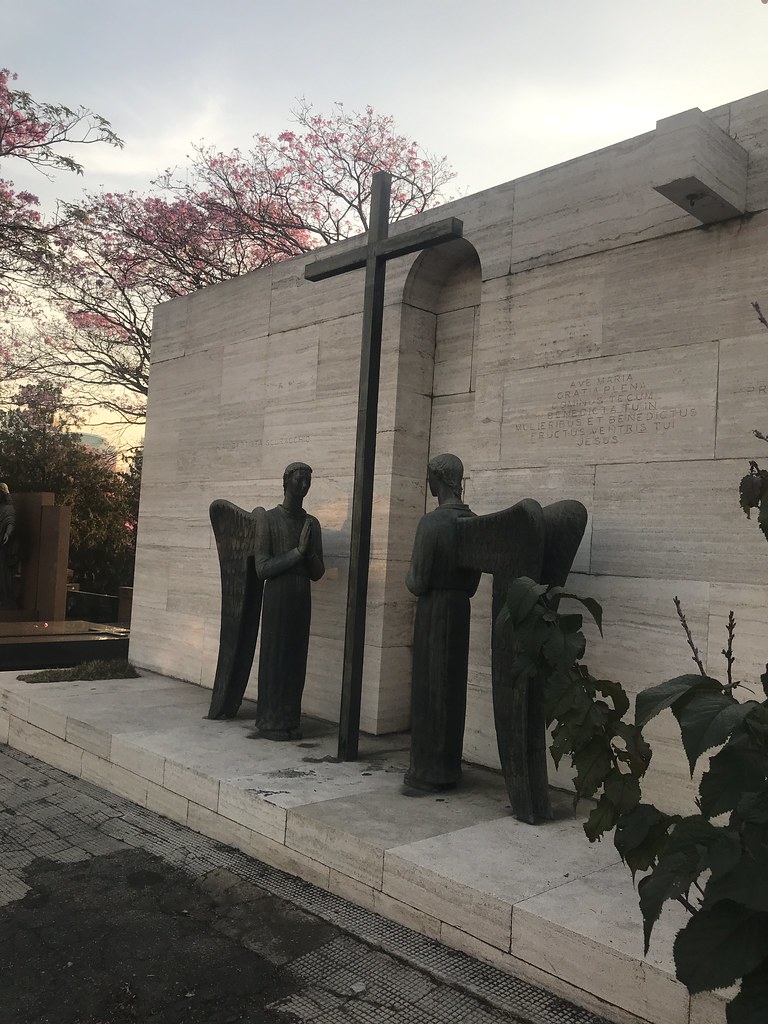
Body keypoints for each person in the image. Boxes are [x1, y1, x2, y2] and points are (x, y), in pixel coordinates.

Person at [404, 454, 481, 791]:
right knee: (452, 688)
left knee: (428, 687)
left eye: (430, 476)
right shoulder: (474, 523)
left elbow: (417, 582)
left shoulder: (431, 524)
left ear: (438, 478)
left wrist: (408, 575)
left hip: (433, 612)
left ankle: (426, 770)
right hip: (459, 611)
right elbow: (474, 584)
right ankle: (449, 766)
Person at [252, 462, 325, 739]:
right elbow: (262, 568)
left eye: (308, 481)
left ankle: (290, 718)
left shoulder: (311, 523)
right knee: (275, 658)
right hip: (277, 598)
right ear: (286, 481)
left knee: (296, 660)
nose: (304, 485)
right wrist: (297, 553)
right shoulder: (268, 520)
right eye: (299, 480)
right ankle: (270, 721)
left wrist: (309, 554)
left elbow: (318, 572)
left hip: (300, 598)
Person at [0, 483, 19, 610]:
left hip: (3, 545)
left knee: (3, 574)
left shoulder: (9, 508)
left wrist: (7, 533)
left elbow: (10, 522)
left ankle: (5, 598)